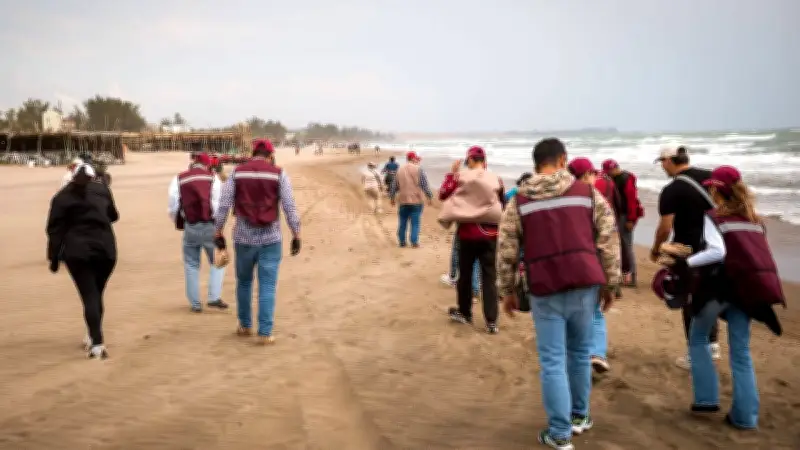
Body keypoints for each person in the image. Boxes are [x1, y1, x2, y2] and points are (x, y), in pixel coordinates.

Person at [497, 138, 620, 449]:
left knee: (552, 360)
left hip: (545, 286)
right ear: (563, 159)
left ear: (536, 163)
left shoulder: (519, 201)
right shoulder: (588, 193)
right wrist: (611, 283)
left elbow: (506, 249)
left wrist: (507, 290)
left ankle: (560, 432)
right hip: (585, 282)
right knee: (580, 353)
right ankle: (579, 416)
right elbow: (608, 238)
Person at [686, 165, 784, 430]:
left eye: (711, 189)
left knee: (698, 337)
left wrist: (688, 262)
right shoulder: (755, 220)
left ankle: (706, 399)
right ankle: (745, 417)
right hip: (746, 290)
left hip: (718, 288)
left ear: (717, 191)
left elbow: (717, 252)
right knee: (741, 352)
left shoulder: (714, 217)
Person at [214, 139, 302, 345]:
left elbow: (224, 204)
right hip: (271, 239)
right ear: (270, 156)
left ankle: (245, 325)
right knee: (267, 286)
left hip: (243, 239)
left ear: (253, 154)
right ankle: (265, 332)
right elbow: (289, 206)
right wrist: (296, 233)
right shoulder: (279, 174)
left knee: (244, 283)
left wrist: (218, 230)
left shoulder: (237, 173)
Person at [651, 145, 720, 369]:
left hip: (688, 251)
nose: (662, 167)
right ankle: (713, 344)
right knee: (709, 294)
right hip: (717, 247)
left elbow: (665, 227)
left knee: (688, 299)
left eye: (662, 162)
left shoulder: (672, 190)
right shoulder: (712, 177)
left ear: (670, 160)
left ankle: (695, 353)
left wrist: (656, 249)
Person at [46, 162, 119, 359]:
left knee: (90, 295)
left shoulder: (61, 198)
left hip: (78, 252)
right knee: (96, 294)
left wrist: (53, 258)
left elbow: (54, 230)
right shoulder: (102, 190)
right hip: (106, 250)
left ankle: (97, 343)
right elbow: (114, 216)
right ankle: (92, 335)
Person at [438, 146, 505, 333]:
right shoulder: (496, 178)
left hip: (467, 233)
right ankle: (492, 322)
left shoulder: (461, 177)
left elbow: (443, 193)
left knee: (465, 275)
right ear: (484, 161)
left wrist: (452, 174)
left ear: (469, 160)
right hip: (490, 234)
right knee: (489, 277)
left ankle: (465, 313)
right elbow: (502, 202)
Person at [566, 157, 619, 375]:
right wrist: (612, 282)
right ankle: (596, 353)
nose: (596, 177)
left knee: (571, 313)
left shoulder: (563, 198)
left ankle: (576, 356)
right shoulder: (595, 199)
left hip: (566, 265)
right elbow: (608, 243)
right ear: (587, 174)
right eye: (594, 173)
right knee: (595, 312)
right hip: (591, 264)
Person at [168, 152, 228, 313]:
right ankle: (214, 296)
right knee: (218, 260)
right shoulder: (213, 178)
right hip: (209, 225)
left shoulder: (179, 178)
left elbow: (173, 205)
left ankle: (195, 303)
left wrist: (179, 221)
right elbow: (217, 204)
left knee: (191, 263)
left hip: (190, 225)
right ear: (207, 165)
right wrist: (218, 226)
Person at [602, 159, 643, 286]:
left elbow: (632, 200)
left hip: (626, 216)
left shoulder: (626, 179)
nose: (607, 174)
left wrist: (631, 219)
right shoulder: (616, 178)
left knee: (627, 245)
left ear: (614, 169)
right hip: (620, 215)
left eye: (608, 172)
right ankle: (624, 275)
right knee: (621, 245)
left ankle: (632, 277)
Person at [389, 151, 433, 248]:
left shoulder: (399, 169)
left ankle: (402, 242)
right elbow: (424, 185)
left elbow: (394, 186)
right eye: (415, 158)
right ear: (413, 158)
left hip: (403, 200)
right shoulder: (419, 169)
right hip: (416, 200)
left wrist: (392, 198)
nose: (416, 160)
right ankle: (414, 242)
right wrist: (429, 196)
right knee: (415, 222)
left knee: (402, 222)